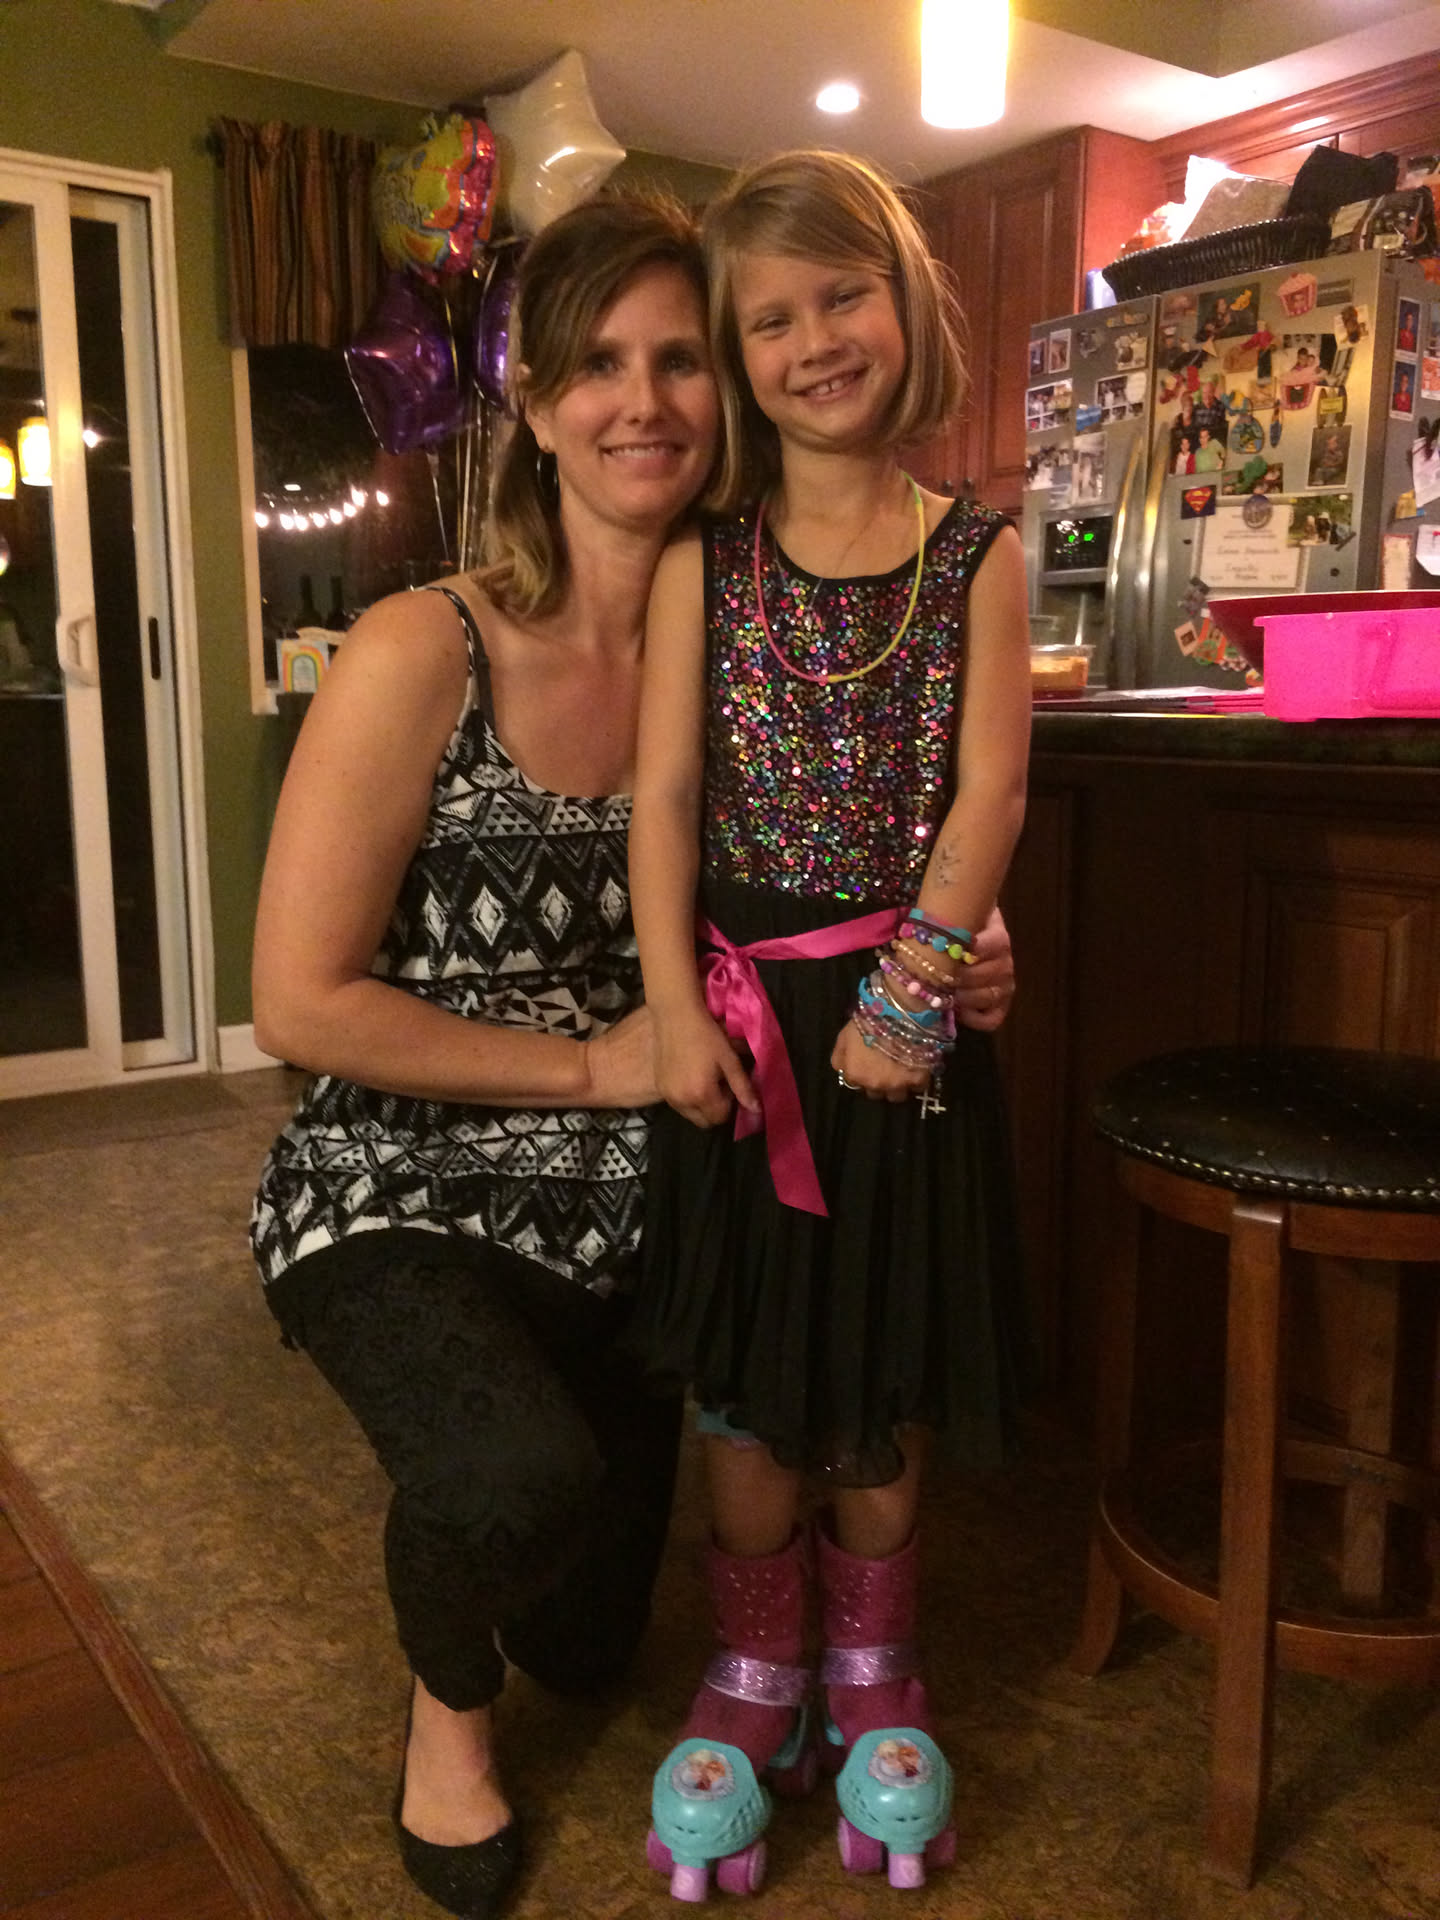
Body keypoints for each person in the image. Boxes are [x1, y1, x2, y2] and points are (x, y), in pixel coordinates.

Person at [248, 192, 1018, 1920]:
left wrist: (954, 947)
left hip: (637, 1181)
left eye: (681, 358)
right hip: (405, 1170)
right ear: (533, 402)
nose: (646, 400)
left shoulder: (739, 615)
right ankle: (445, 1717)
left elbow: (862, 833)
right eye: (598, 364)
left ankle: (805, 1643)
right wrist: (601, 1064)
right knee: (511, 1490)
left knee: (597, 1638)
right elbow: (297, 1005)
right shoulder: (421, 647)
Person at [627, 151, 1031, 1897]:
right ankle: (759, 1658)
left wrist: (919, 990)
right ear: (737, 356)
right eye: (770, 320)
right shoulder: (701, 566)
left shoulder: (981, 556)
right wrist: (670, 1009)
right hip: (741, 1035)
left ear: (907, 302)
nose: (813, 343)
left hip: (899, 1034)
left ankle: (874, 1658)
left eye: (841, 296)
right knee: (747, 1373)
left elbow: (989, 793)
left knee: (886, 1349)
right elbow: (663, 802)